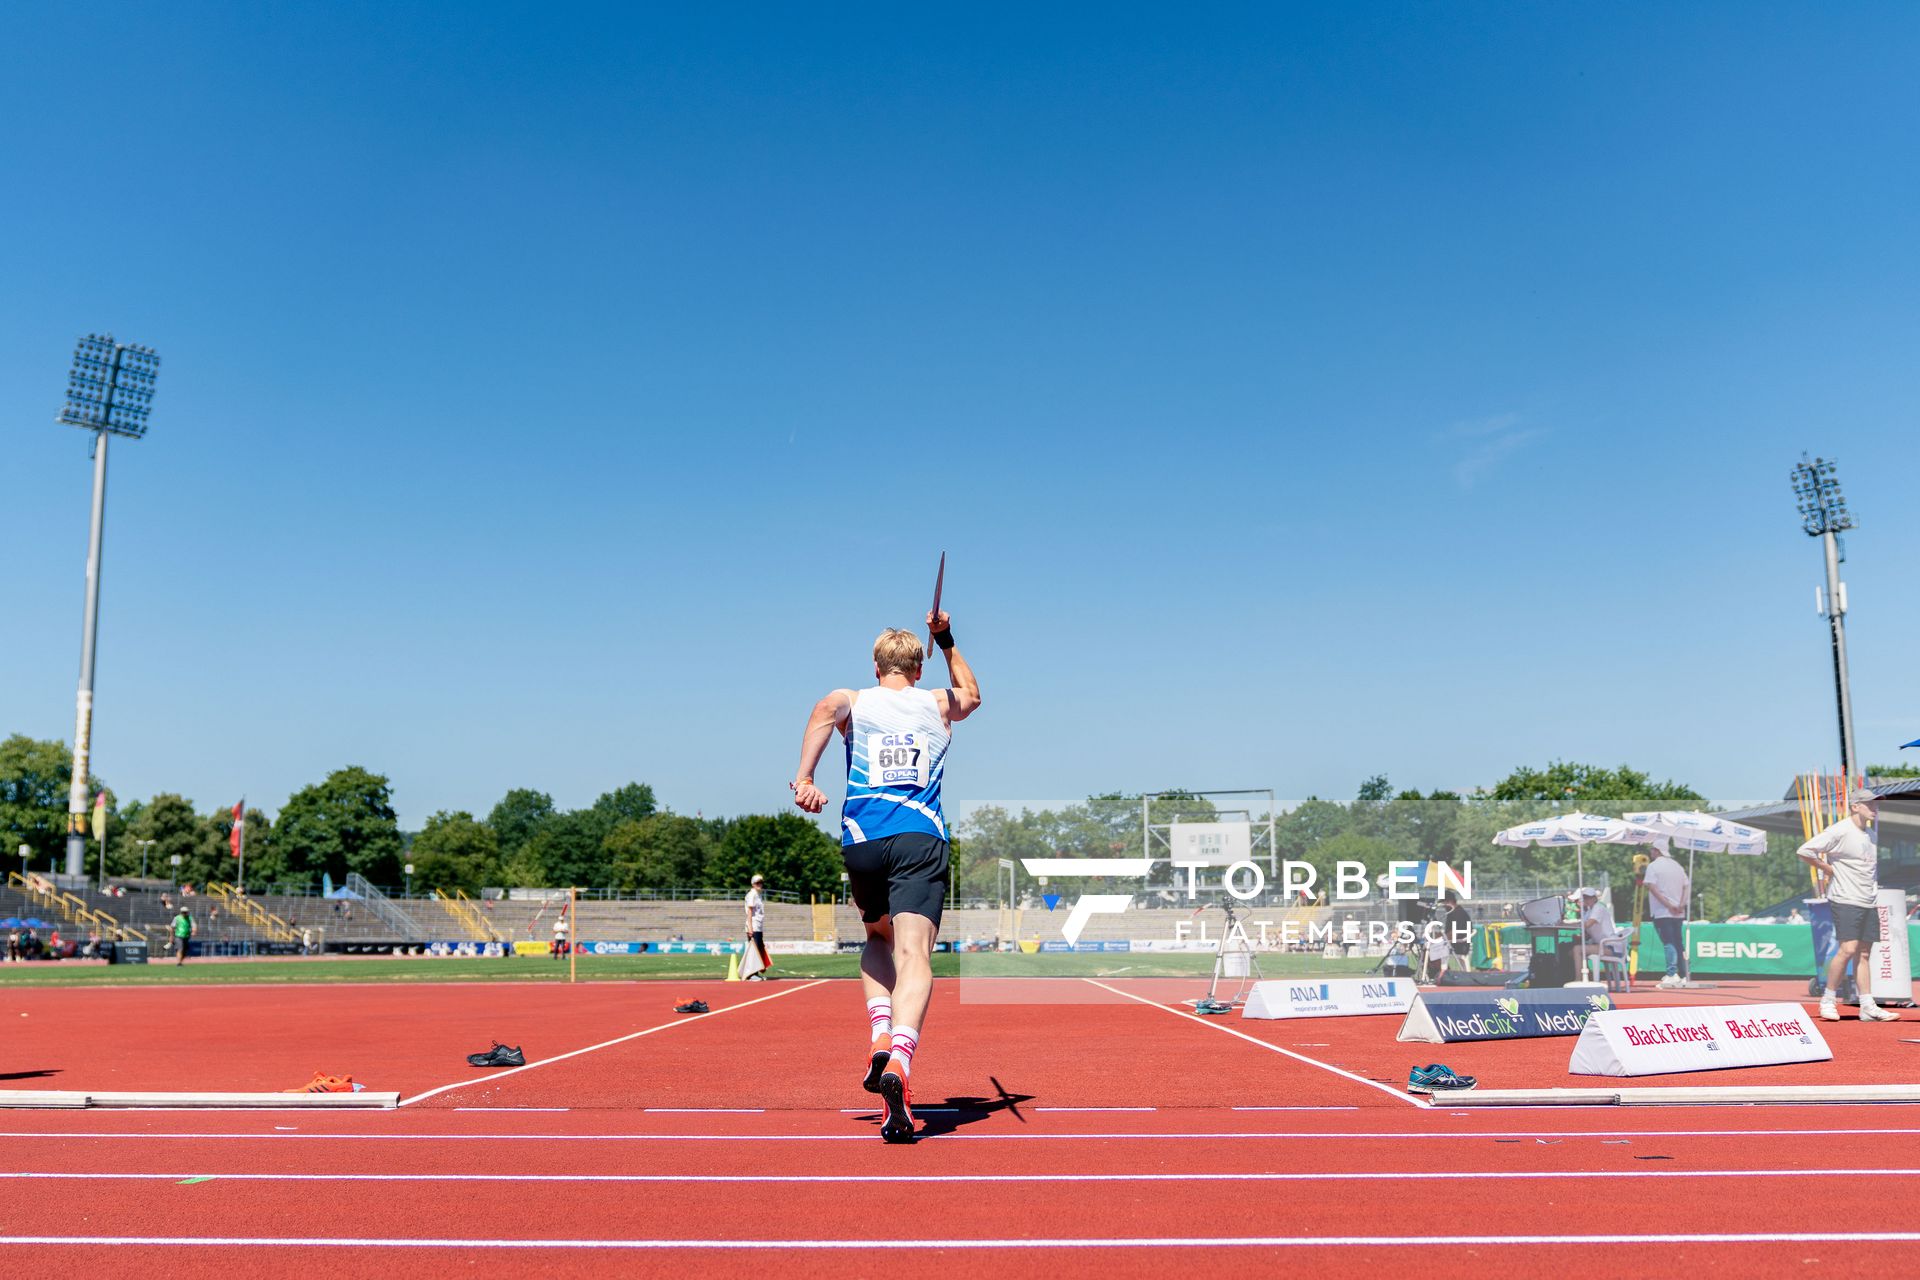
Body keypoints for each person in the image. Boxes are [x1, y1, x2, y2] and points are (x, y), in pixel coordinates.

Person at [790, 609, 982, 1144]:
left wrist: (804, 778)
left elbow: (825, 709)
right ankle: (899, 1060)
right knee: (915, 954)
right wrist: (946, 639)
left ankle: (879, 1034)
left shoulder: (852, 698)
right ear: (917, 668)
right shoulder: (937, 702)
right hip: (920, 837)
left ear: (876, 665)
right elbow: (973, 693)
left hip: (863, 839)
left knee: (877, 937)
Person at [1799, 789, 1898, 1023]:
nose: (1875, 808)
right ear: (1855, 806)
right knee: (1848, 949)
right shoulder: (1839, 830)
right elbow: (1804, 850)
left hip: (1868, 900)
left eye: (1877, 805)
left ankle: (1867, 1005)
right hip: (1845, 897)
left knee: (1864, 953)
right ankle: (1828, 1000)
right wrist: (1828, 869)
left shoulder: (1871, 835)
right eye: (1870, 804)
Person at [1641, 845, 1691, 989]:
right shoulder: (1677, 866)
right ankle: (1683, 974)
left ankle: (1672, 973)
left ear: (1657, 850)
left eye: (1652, 850)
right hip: (1678, 911)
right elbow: (1686, 886)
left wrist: (1668, 905)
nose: (1650, 852)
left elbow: (1652, 887)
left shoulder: (1653, 866)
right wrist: (1681, 904)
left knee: (1669, 942)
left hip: (1663, 911)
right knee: (1678, 942)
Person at [1574, 886, 1617, 980]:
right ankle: (1589, 978)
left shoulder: (1598, 908)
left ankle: (1578, 980)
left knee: (1577, 949)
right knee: (1571, 950)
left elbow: (1587, 924)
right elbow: (1587, 931)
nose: (1587, 899)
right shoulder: (1589, 911)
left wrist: (1569, 924)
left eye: (1589, 897)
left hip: (1610, 947)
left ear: (1595, 898)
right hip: (1600, 945)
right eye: (1585, 897)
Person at [743, 874, 771, 980]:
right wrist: (750, 928)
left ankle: (756, 973)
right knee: (754, 951)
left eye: (761, 882)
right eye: (757, 883)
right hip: (753, 926)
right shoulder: (752, 895)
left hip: (758, 926)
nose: (760, 884)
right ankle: (751, 975)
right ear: (753, 884)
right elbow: (749, 912)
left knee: (759, 950)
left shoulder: (759, 894)